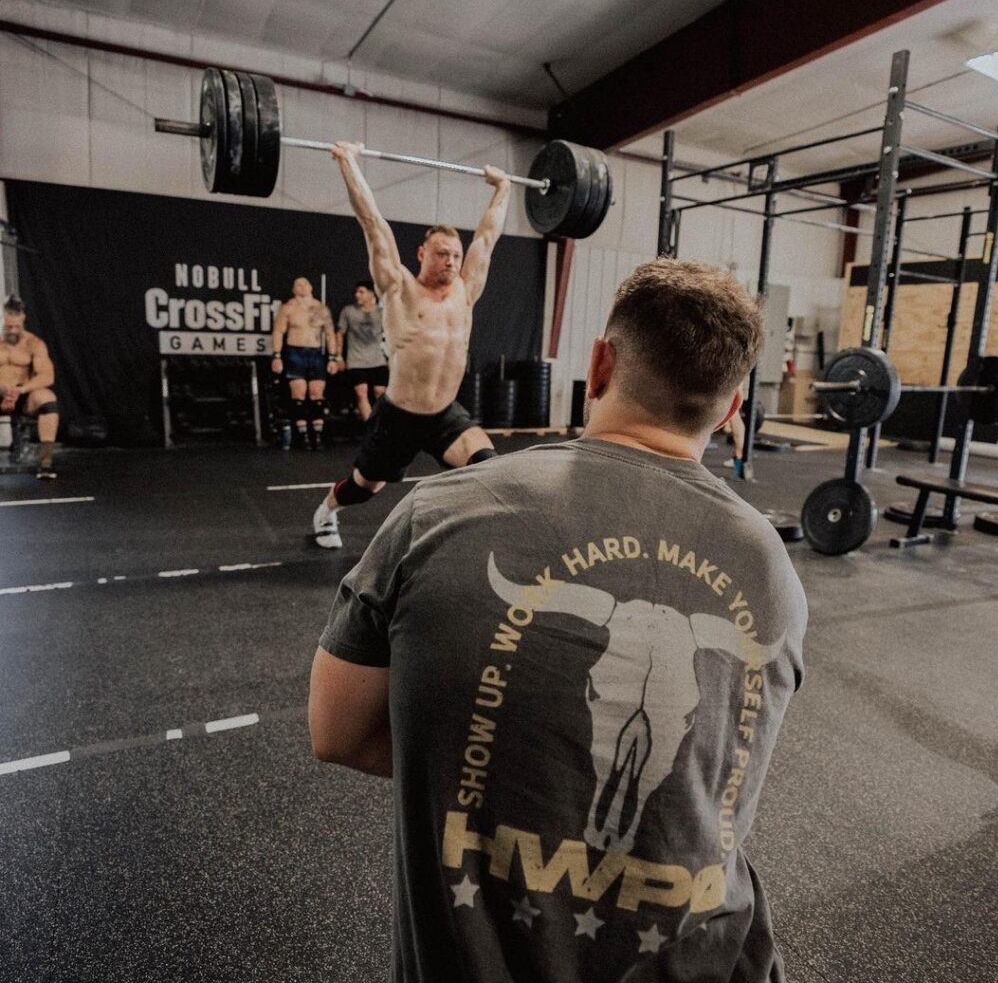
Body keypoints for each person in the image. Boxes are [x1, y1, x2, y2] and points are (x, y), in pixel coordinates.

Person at [308, 258, 808, 983]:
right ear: (731, 410)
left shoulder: (436, 513)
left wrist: (506, 768)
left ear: (599, 364)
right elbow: (725, 769)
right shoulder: (774, 570)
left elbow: (336, 731)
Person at [311, 140, 510, 549]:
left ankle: (449, 541)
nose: (452, 261)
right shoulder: (399, 288)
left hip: (445, 414)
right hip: (399, 416)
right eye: (442, 254)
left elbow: (487, 237)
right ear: (422, 253)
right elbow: (372, 222)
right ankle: (326, 510)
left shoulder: (466, 291)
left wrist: (503, 188)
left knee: (487, 466)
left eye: (455, 254)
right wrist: (347, 162)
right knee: (364, 487)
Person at [270, 277, 339, 450]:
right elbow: (278, 332)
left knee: (317, 393)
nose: (302, 287)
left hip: (315, 352)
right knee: (298, 393)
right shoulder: (288, 308)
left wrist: (333, 357)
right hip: (295, 352)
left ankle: (318, 434)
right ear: (294, 289)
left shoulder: (320, 308)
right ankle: (303, 435)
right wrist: (276, 355)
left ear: (311, 286)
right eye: (298, 285)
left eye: (305, 284)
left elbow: (330, 334)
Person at [1, 295, 60, 480]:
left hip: (22, 394)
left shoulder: (34, 343)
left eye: (16, 327)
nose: (12, 330)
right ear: (3, 320)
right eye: (9, 326)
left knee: (48, 399)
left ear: (23, 320)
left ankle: (45, 463)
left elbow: (47, 375)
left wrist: (21, 390)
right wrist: (4, 390)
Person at [336, 280, 388, 421]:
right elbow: (340, 333)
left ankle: (380, 425)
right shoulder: (348, 311)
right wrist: (338, 357)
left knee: (380, 392)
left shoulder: (382, 312)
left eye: (361, 292)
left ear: (371, 293)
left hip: (377, 359)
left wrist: (391, 358)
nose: (357, 295)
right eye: (356, 292)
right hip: (356, 360)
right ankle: (370, 427)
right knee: (361, 392)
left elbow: (391, 335)